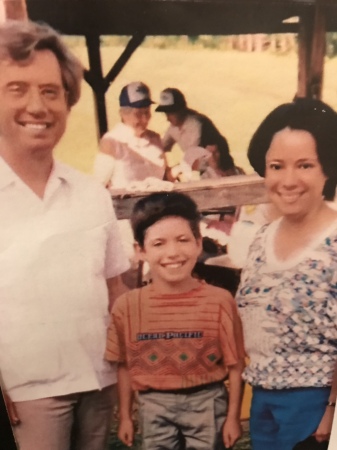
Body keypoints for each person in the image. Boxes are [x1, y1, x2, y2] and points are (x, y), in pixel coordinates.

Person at [0, 20, 130, 450]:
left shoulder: (93, 194)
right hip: (24, 392)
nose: (38, 106)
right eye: (17, 88)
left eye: (51, 91)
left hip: (98, 382)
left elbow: (116, 292)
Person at [105, 192, 246, 450]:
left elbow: (236, 366)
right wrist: (125, 415)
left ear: (198, 243)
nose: (173, 252)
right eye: (159, 244)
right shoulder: (127, 307)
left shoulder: (219, 301)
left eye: (183, 240)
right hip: (152, 404)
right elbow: (124, 366)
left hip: (207, 401)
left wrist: (233, 418)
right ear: (141, 250)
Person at [235, 98, 337, 450]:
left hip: (317, 408)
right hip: (263, 401)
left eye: (305, 165)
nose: (288, 180)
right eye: (277, 166)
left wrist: (331, 411)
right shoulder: (261, 238)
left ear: (329, 169)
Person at [93, 81, 166, 189]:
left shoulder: (155, 139)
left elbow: (166, 177)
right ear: (122, 114)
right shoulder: (112, 141)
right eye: (138, 114)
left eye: (147, 112)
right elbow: (98, 186)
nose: (145, 119)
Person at [155, 87, 235, 180]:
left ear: (181, 109)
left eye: (170, 113)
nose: (167, 118)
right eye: (166, 113)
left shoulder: (196, 124)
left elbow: (194, 160)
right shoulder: (173, 128)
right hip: (203, 172)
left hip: (221, 172)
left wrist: (177, 169)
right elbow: (159, 148)